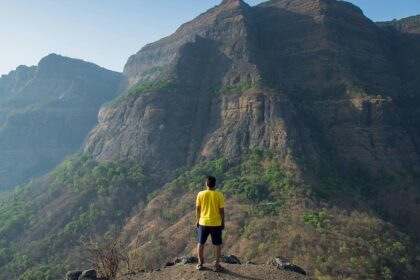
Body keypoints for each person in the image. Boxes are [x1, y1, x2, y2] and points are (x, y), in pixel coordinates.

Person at [195, 175, 225, 272]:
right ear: (214, 184)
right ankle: (216, 265)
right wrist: (222, 222)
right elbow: (222, 211)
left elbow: (198, 209)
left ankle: (200, 263)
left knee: (201, 243)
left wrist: (198, 220)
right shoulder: (219, 195)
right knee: (217, 244)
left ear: (206, 184)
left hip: (203, 222)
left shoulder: (200, 194)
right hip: (216, 223)